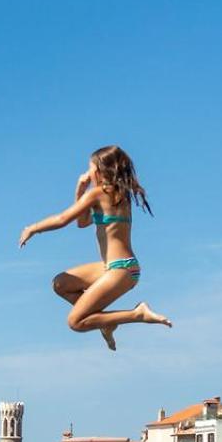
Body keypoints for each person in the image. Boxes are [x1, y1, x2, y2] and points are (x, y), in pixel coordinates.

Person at [18, 145, 172, 351]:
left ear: (99, 170)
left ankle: (137, 314)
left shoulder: (99, 193)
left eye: (89, 168)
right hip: (116, 267)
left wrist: (33, 228)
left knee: (75, 322)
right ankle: (105, 321)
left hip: (121, 270)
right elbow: (82, 222)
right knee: (61, 283)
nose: (87, 173)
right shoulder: (117, 195)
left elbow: (64, 219)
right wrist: (80, 190)